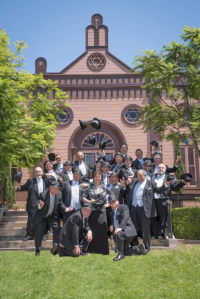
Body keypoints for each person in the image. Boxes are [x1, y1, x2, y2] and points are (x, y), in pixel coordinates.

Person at [125, 169, 169, 254]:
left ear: (145, 175)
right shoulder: (134, 182)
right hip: (133, 208)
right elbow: (127, 188)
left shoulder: (150, 183)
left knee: (145, 230)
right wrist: (126, 183)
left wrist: (166, 185)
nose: (139, 177)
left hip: (144, 209)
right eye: (138, 176)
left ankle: (147, 247)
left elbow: (159, 190)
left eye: (141, 176)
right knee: (132, 228)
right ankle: (135, 246)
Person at [82, 170, 114, 255]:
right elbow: (82, 197)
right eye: (96, 176)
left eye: (99, 177)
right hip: (92, 211)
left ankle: (103, 250)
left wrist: (109, 204)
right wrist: (89, 200)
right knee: (93, 230)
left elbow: (112, 195)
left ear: (101, 178)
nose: (98, 178)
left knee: (102, 230)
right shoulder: (89, 187)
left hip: (102, 211)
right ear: (93, 177)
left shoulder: (104, 187)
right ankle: (92, 250)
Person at [150, 163, 186, 239]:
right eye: (159, 167)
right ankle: (153, 234)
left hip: (163, 200)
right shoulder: (152, 176)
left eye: (162, 167)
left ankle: (160, 234)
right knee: (153, 217)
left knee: (162, 218)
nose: (160, 169)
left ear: (165, 169)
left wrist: (182, 182)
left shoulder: (169, 177)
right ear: (157, 169)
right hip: (153, 200)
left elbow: (174, 188)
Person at [108, 194, 146, 261]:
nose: (112, 203)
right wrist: (112, 226)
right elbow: (115, 222)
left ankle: (120, 254)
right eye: (110, 202)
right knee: (124, 251)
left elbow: (125, 218)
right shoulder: (112, 213)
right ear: (109, 204)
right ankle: (139, 248)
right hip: (121, 233)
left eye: (113, 201)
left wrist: (120, 228)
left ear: (117, 201)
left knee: (118, 234)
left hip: (128, 230)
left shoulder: (124, 207)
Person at [32, 176, 62, 256]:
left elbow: (60, 205)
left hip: (51, 215)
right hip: (42, 215)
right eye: (53, 189)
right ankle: (37, 249)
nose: (54, 191)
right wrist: (40, 205)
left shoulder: (59, 194)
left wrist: (66, 209)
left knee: (57, 227)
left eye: (56, 189)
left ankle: (55, 248)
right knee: (40, 229)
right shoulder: (43, 194)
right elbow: (36, 205)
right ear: (49, 188)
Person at [16, 167, 46, 241]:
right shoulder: (30, 181)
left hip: (43, 204)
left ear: (42, 172)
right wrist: (18, 186)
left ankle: (42, 235)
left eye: (39, 171)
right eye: (36, 172)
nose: (38, 173)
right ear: (34, 173)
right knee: (31, 221)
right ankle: (29, 235)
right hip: (32, 204)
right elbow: (22, 187)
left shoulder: (46, 181)